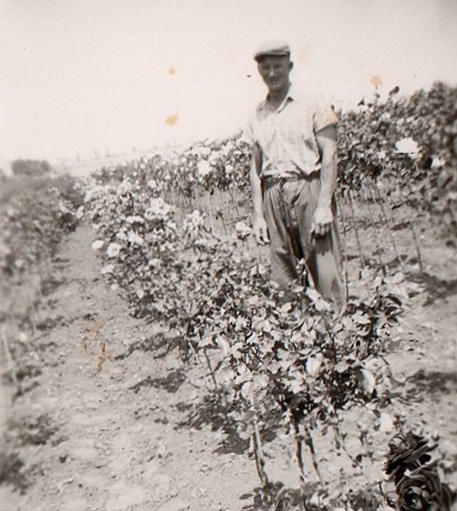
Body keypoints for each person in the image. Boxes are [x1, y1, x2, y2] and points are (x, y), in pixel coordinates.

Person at [245, 40, 345, 311]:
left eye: (277, 66)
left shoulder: (313, 103)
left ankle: (338, 334)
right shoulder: (256, 114)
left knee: (324, 268)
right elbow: (255, 170)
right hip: (272, 194)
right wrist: (258, 215)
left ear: (289, 67)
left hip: (308, 190)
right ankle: (298, 337)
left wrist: (324, 206)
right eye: (265, 68)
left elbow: (330, 155)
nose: (272, 74)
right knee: (284, 275)